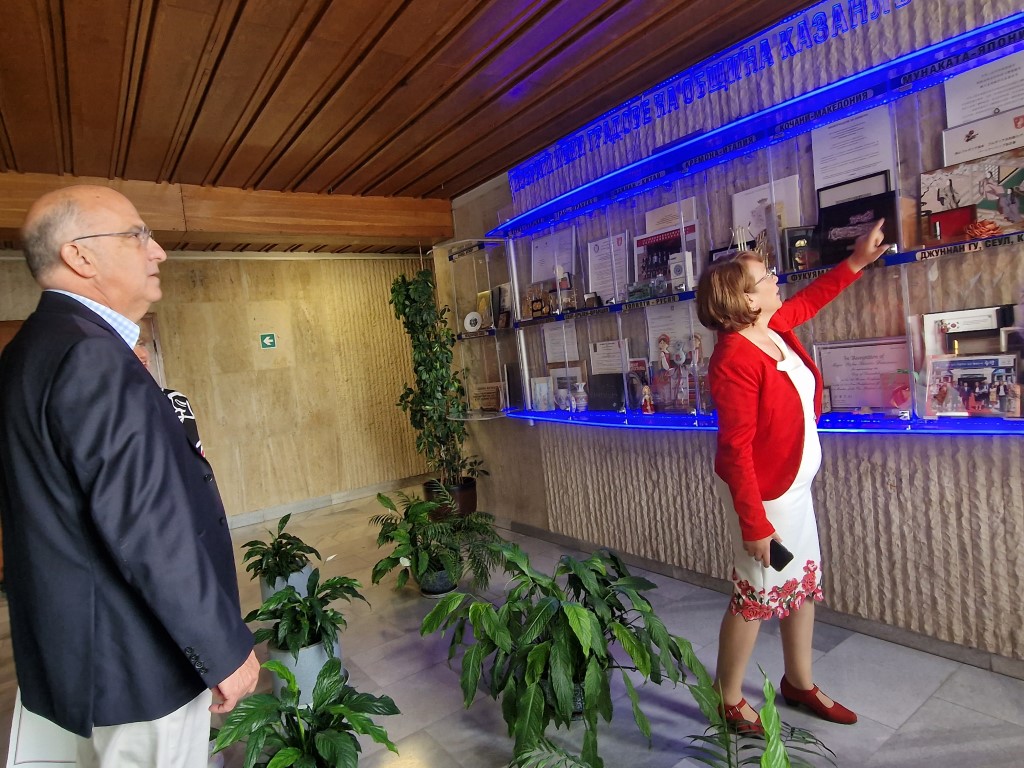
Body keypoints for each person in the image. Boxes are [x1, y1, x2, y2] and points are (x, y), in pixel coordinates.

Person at [0, 185, 259, 766]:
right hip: (138, 662)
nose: (157, 250)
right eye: (137, 235)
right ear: (80, 256)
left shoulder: (29, 349)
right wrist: (222, 650)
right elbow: (149, 529)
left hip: (76, 658)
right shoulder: (91, 355)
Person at [695, 219, 889, 733]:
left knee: (801, 584)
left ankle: (799, 682)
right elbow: (735, 450)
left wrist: (857, 261)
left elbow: (811, 300)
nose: (776, 280)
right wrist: (754, 525)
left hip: (795, 491)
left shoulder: (772, 327)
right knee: (756, 595)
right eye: (766, 278)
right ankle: (728, 697)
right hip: (766, 499)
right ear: (744, 298)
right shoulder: (733, 358)